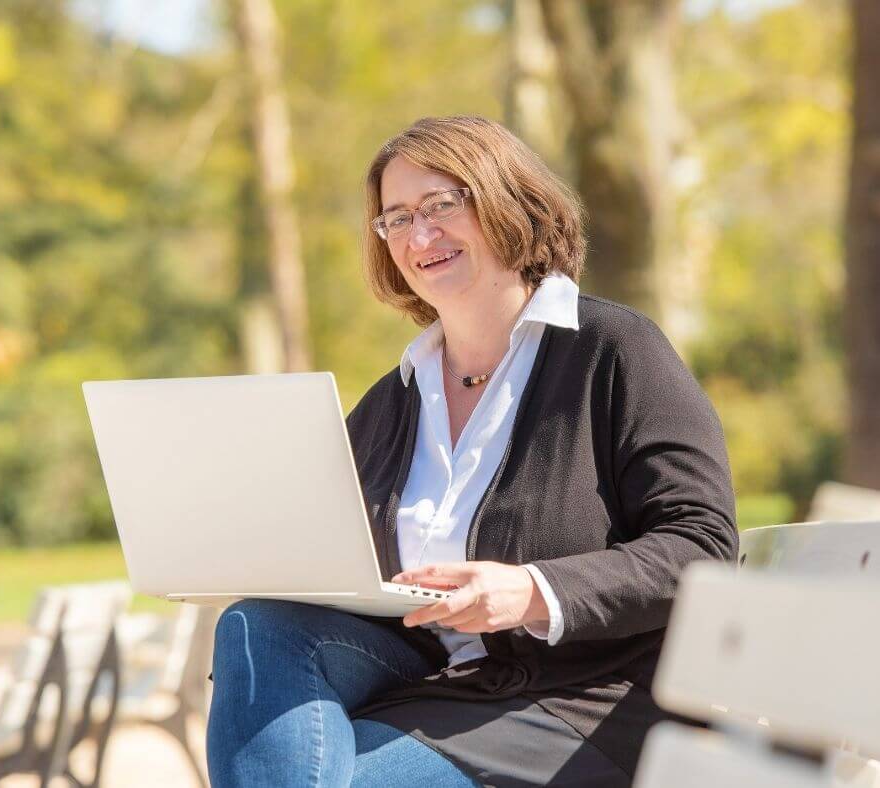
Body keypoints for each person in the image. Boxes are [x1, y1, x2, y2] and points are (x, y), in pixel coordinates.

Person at [205, 115, 737, 788]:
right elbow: (343, 565)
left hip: (585, 703)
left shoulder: (613, 350)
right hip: (443, 691)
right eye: (395, 219)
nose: (419, 236)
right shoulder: (393, 400)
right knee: (257, 626)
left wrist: (533, 592)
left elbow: (703, 545)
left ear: (506, 200)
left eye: (441, 206)